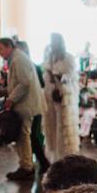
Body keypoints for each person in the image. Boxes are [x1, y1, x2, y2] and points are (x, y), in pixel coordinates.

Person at [0, 34, 44, 178]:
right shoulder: (17, 58)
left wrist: (10, 99)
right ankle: (26, 165)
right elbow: (19, 82)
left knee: (23, 135)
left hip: (25, 104)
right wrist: (5, 91)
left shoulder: (18, 59)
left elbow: (24, 83)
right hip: (24, 103)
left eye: (1, 49)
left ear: (9, 47)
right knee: (23, 135)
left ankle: (27, 167)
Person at [40, 33, 78, 163]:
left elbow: (71, 76)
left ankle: (65, 157)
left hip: (63, 96)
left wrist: (57, 75)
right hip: (50, 95)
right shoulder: (49, 57)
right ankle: (54, 158)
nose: (52, 44)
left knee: (63, 126)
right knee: (51, 126)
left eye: (54, 41)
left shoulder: (68, 58)